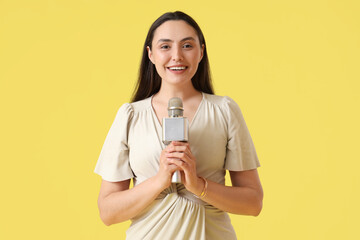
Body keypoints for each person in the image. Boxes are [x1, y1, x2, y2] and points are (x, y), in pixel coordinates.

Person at [94, 11, 263, 240]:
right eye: (165, 46)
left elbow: (253, 203)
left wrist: (198, 185)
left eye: (187, 46)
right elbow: (108, 212)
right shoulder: (130, 116)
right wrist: (160, 180)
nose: (176, 56)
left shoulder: (224, 111)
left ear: (201, 51)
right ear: (150, 54)